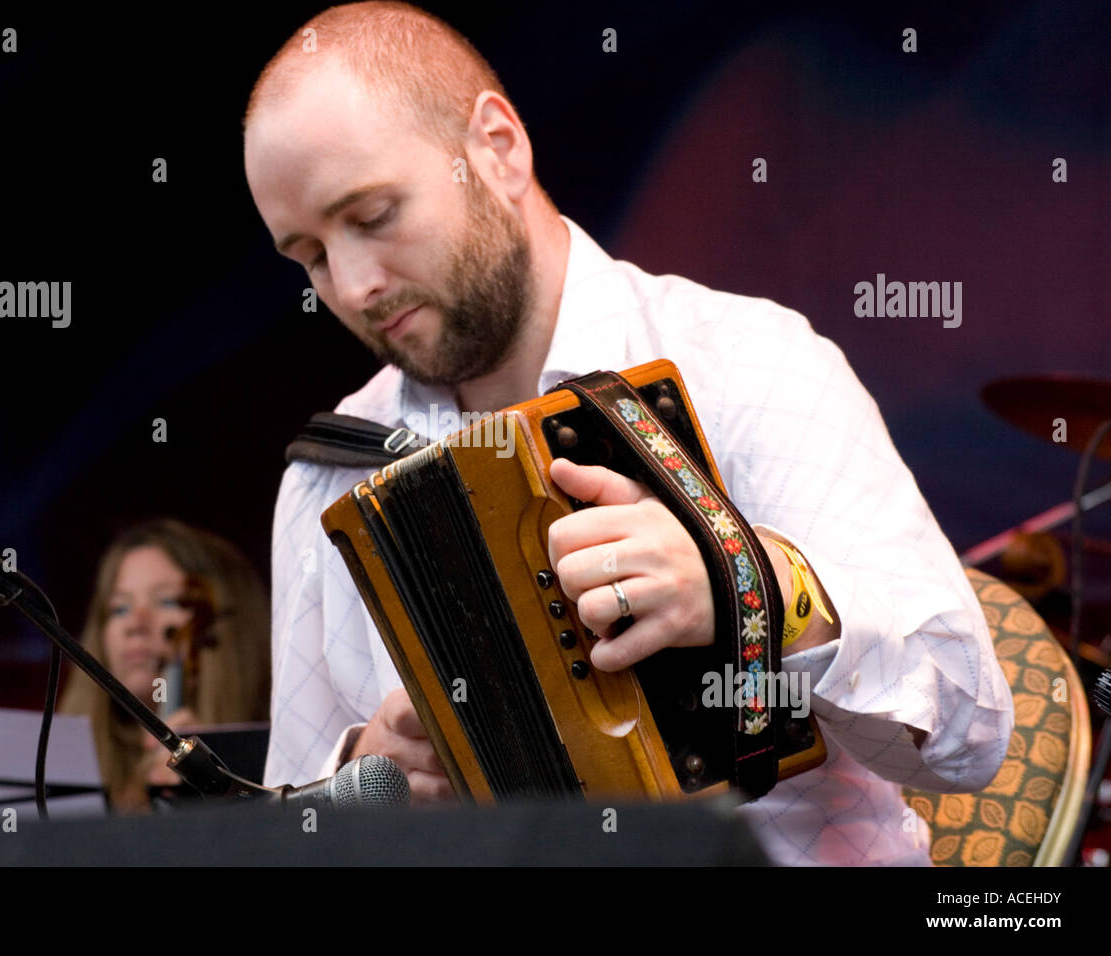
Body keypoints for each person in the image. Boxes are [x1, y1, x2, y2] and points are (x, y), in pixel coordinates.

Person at [244, 2, 1012, 864]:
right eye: (307, 255)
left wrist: (746, 584)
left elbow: (968, 734)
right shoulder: (328, 474)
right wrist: (364, 782)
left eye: (374, 215)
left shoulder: (750, 362)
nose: (350, 286)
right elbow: (294, 820)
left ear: (496, 148)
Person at [60, 518, 270, 813]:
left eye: (167, 602)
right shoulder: (57, 770)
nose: (135, 624)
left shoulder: (275, 760)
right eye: (120, 608)